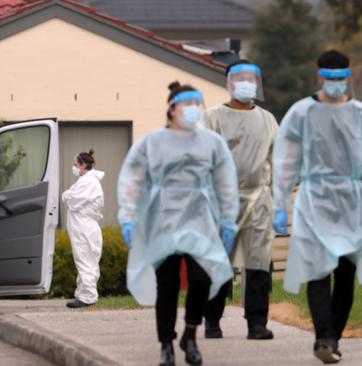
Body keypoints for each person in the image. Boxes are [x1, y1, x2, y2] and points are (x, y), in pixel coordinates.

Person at [118, 82, 239, 366]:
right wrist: (127, 214)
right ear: (171, 109)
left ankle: (191, 334)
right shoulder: (152, 142)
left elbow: (225, 183)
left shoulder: (212, 143)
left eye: (198, 104)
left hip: (199, 220)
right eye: (187, 104)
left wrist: (229, 220)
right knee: (168, 285)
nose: (194, 109)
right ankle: (166, 346)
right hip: (164, 220)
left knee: (202, 279)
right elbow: (133, 178)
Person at [273, 49, 362, 364]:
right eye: (330, 78)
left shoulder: (358, 113)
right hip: (315, 200)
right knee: (317, 270)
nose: (335, 84)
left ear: (347, 77)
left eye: (341, 79)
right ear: (319, 77)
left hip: (352, 203)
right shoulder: (301, 113)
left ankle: (332, 337)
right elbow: (285, 159)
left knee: (345, 273)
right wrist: (280, 203)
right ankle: (323, 336)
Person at [202, 60, 278, 340]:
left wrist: (280, 201)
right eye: (240, 77)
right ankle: (212, 320)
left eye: (251, 78)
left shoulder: (268, 119)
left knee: (259, 262)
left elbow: (277, 159)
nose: (246, 83)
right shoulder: (212, 118)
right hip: (223, 200)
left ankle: (257, 323)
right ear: (229, 83)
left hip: (259, 199)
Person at [62, 150, 105, 308]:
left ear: (83, 165)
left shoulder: (89, 182)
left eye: (75, 165)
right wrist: (68, 195)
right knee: (86, 261)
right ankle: (83, 295)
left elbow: (72, 200)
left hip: (84, 228)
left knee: (85, 260)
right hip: (84, 227)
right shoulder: (86, 181)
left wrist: (67, 195)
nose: (74, 168)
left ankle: (88, 297)